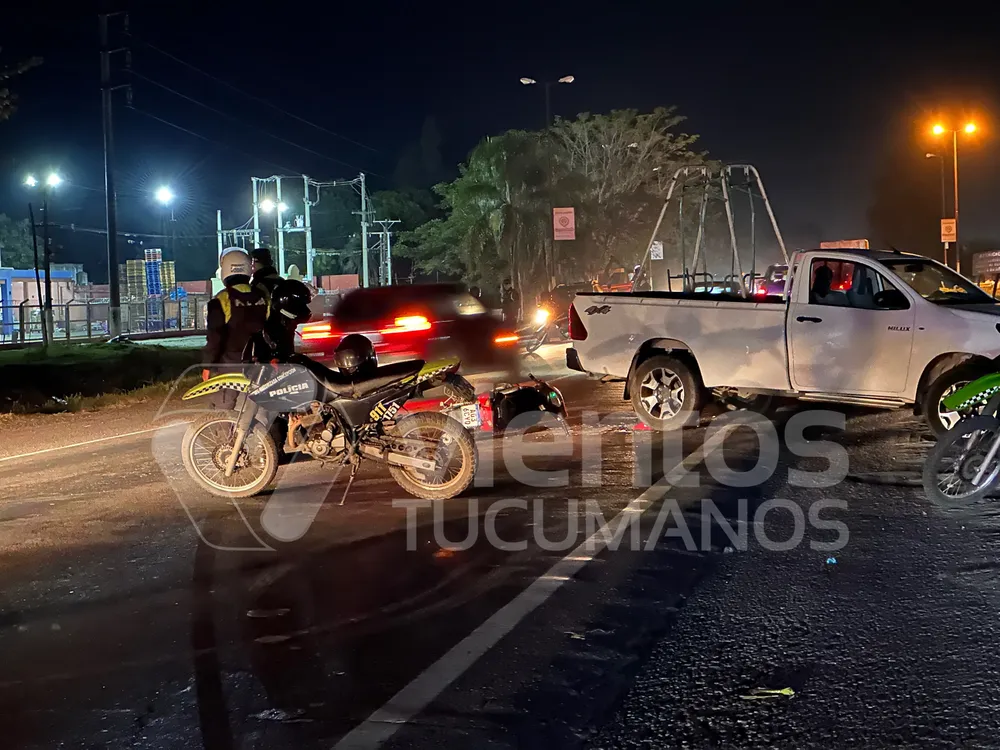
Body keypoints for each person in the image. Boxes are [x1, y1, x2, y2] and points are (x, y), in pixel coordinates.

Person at [202, 248, 270, 405]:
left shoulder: (221, 300)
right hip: (258, 363)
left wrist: (207, 365)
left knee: (222, 407)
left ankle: (225, 429)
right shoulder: (263, 296)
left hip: (230, 364)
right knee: (259, 407)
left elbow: (214, 338)